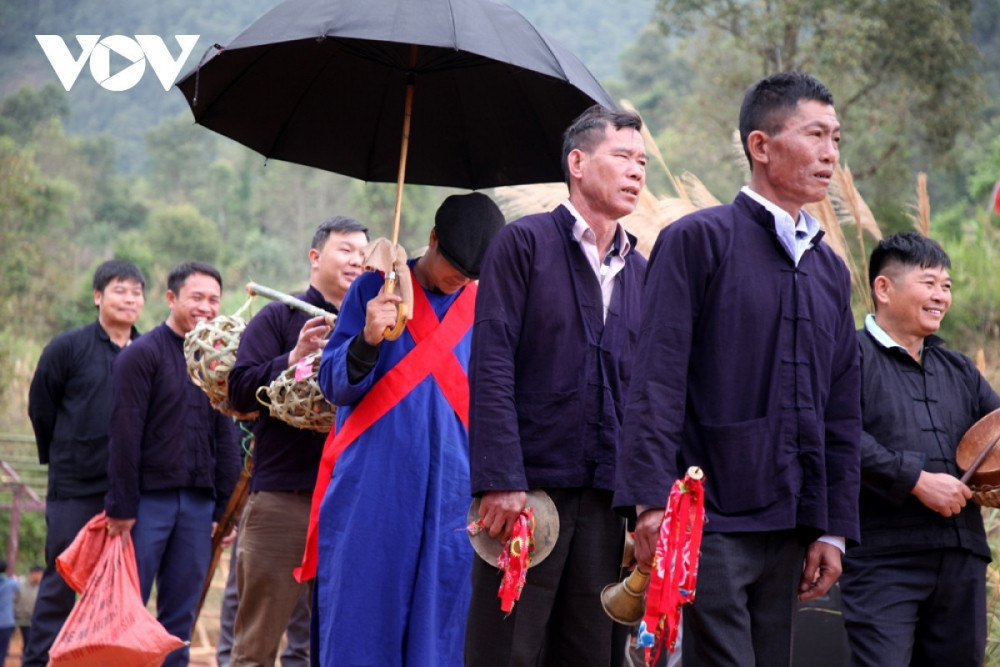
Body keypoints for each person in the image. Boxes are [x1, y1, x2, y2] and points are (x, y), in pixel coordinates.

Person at [613, 71, 861, 666]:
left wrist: (832, 528)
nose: (830, 153)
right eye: (815, 135)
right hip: (710, 517)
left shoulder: (829, 269)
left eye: (835, 139)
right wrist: (650, 503)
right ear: (760, 145)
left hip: (794, 520)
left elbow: (842, 409)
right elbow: (656, 380)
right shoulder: (698, 240)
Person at [465, 104, 648, 666]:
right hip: (527, 495)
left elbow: (648, 392)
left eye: (642, 162)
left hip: (607, 498)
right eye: (622, 156)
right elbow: (492, 362)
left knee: (591, 650)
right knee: (507, 648)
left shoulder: (642, 271)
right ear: (577, 162)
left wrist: (646, 497)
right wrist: (500, 477)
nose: (636, 170)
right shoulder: (523, 244)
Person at [302, 192, 504, 666]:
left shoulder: (487, 307)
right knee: (360, 620)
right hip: (373, 488)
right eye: (455, 268)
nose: (460, 281)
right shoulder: (373, 289)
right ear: (432, 239)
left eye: (471, 275)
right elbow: (333, 384)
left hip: (454, 496)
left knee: (442, 632)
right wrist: (367, 338)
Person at [838, 232, 999, 666]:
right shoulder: (847, 355)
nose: (941, 296)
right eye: (929, 283)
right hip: (882, 561)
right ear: (883, 288)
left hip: (962, 557)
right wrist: (916, 480)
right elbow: (835, 435)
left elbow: (996, 432)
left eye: (946, 286)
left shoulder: (959, 368)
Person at [226, 216, 368, 666]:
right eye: (346, 249)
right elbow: (238, 391)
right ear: (315, 257)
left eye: (363, 253)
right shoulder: (279, 317)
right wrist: (293, 358)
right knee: (256, 644)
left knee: (332, 644)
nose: (356, 260)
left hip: (349, 501)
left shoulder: (373, 329)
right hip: (284, 500)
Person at [105, 261, 241, 667]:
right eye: (196, 297)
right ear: (171, 298)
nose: (206, 307)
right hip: (147, 504)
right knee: (127, 608)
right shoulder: (141, 355)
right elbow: (124, 434)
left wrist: (225, 510)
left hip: (199, 507)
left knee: (180, 616)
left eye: (214, 299)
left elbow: (226, 436)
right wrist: (121, 507)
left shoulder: (215, 361)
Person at [24, 259, 145, 667]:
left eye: (136, 292)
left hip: (130, 492)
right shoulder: (68, 347)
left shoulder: (149, 352)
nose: (129, 299)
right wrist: (62, 455)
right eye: (119, 290)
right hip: (74, 487)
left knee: (120, 589)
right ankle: (38, 661)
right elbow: (41, 407)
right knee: (60, 581)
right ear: (97, 296)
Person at [14, 565, 43, 658]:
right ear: (34, 574)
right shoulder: (19, 584)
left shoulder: (40, 587)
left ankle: (26, 659)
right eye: (41, 574)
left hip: (31, 619)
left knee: (29, 641)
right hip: (17, 618)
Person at [0, 561, 19, 663]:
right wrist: (13, 577)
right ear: (6, 570)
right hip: (6, 623)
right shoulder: (11, 583)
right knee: (2, 650)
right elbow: (18, 586)